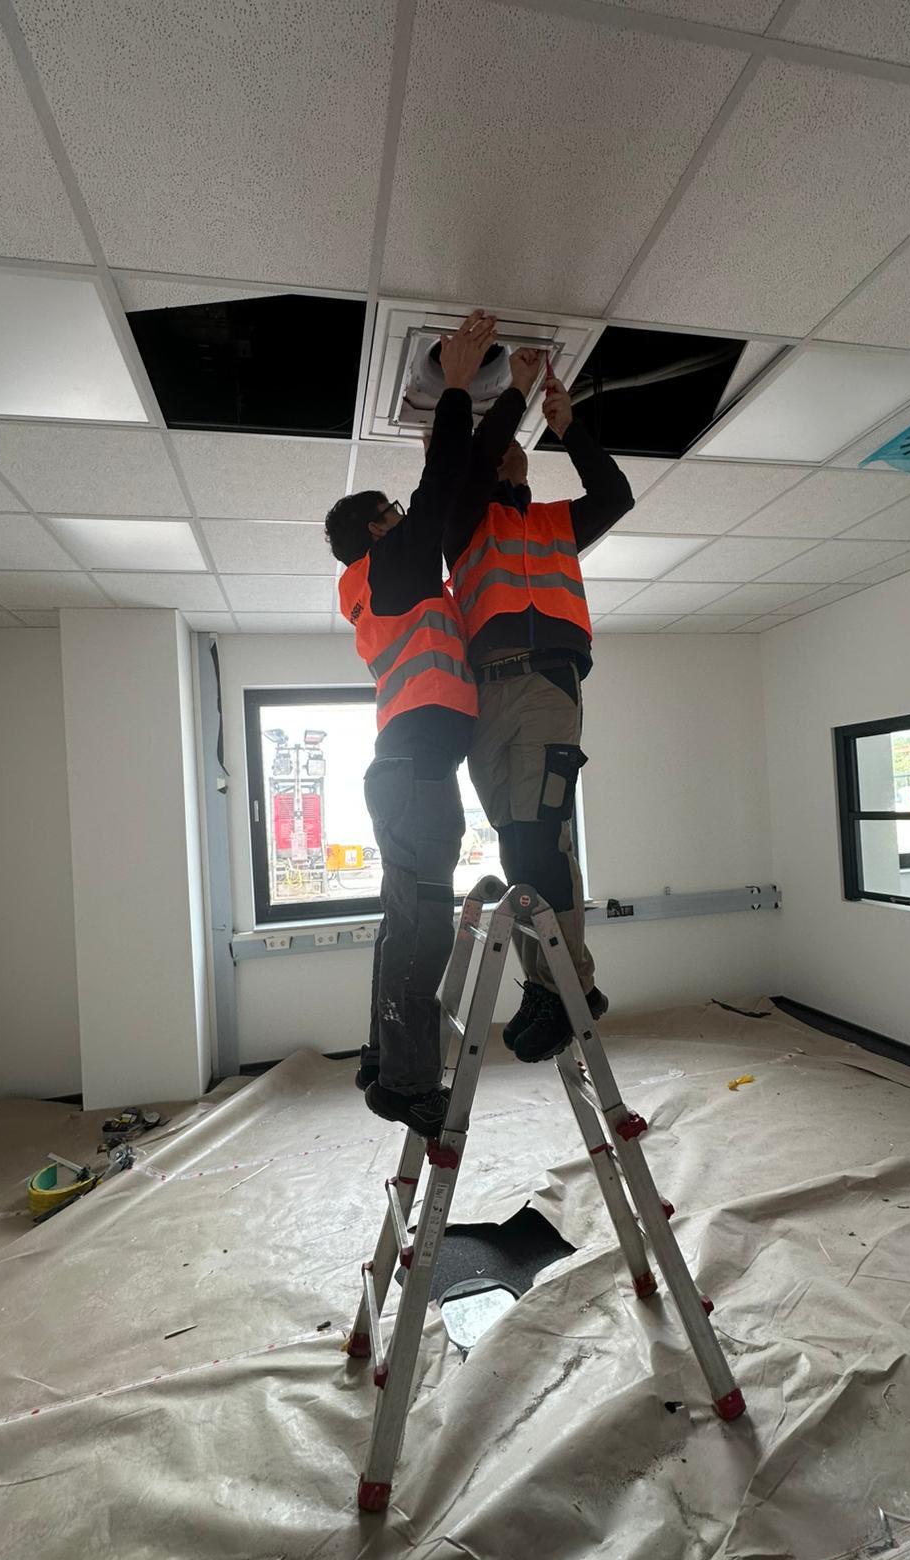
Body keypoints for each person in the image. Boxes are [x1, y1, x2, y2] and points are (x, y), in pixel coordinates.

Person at [325, 313, 539, 1137]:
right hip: (414, 774)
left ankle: (384, 1060)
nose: (404, 514)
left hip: (408, 772)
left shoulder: (392, 584)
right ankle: (407, 1083)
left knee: (407, 922)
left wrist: (511, 401)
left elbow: (462, 476)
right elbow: (446, 477)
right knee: (422, 930)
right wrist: (456, 386)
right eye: (392, 510)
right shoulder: (389, 567)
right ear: (376, 531)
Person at [445, 359, 634, 1062]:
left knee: (541, 836)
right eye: (496, 452)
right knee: (515, 844)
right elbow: (470, 468)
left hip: (546, 685)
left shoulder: (558, 522)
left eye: (512, 450)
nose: (504, 456)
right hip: (485, 696)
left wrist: (569, 429)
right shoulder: (462, 523)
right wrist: (511, 398)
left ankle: (567, 987)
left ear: (527, 462)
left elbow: (615, 495)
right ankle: (551, 983)